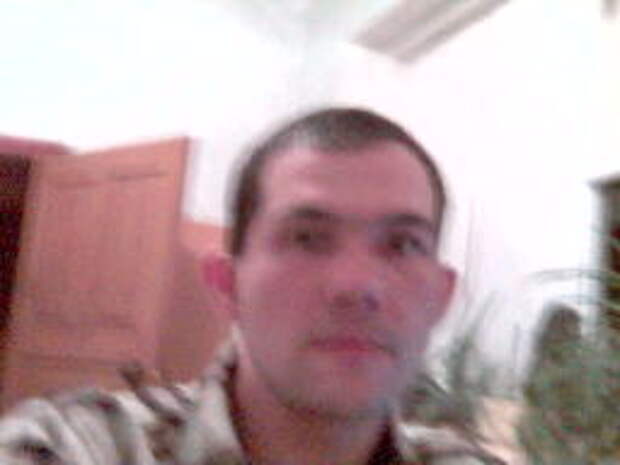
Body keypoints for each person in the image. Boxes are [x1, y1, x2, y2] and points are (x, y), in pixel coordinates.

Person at [0, 108, 501, 464]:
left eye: (402, 245)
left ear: (441, 297)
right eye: (307, 238)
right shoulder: (75, 447)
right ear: (227, 285)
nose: (357, 286)